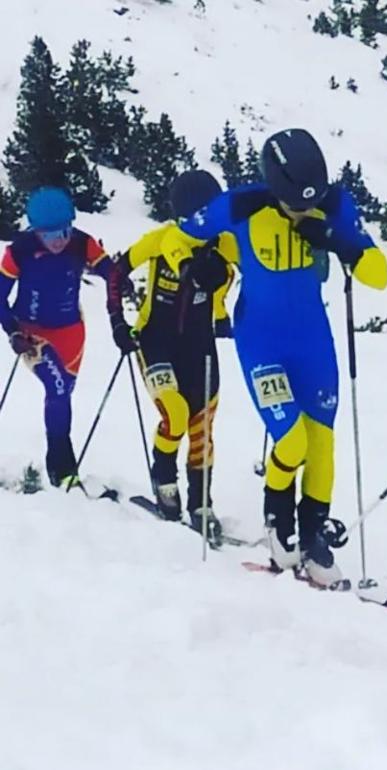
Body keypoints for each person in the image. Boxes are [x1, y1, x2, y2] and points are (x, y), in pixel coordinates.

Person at [180, 128, 387, 586]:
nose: (303, 210)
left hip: (313, 340)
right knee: (291, 442)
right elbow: (184, 228)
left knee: (322, 446)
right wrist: (203, 262)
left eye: (309, 202)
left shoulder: (334, 204)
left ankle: (314, 541)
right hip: (261, 340)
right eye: (294, 203)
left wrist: (338, 239)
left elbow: (380, 275)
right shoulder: (241, 205)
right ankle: (279, 525)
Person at [107, 170, 236, 540]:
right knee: (175, 413)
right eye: (188, 219)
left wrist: (233, 316)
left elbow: (260, 273)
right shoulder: (161, 239)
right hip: (155, 340)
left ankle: (201, 502)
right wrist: (119, 322)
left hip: (200, 345)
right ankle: (164, 477)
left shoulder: (225, 243)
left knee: (202, 430)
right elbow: (117, 272)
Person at [0, 187, 114, 488]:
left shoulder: (81, 243)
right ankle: (64, 468)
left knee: (63, 394)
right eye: (50, 236)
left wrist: (118, 280)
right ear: (36, 231)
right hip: (32, 332)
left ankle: (58, 465)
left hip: (72, 333)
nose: (60, 240)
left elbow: (108, 269)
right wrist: (13, 332)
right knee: (58, 389)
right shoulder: (19, 251)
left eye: (64, 231)